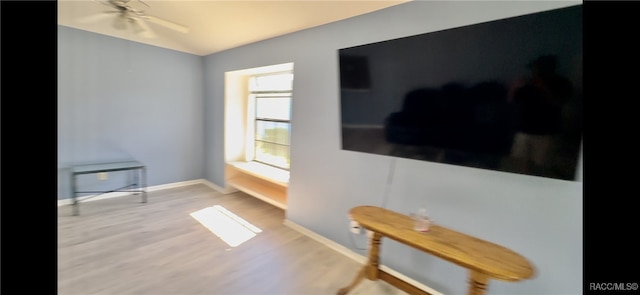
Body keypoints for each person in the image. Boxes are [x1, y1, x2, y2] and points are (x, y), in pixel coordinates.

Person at [509, 55, 573, 174]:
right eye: (534, 68)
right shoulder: (529, 83)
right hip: (524, 130)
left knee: (542, 167)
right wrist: (515, 86)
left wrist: (542, 87)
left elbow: (559, 104)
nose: (535, 71)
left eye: (538, 68)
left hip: (546, 133)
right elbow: (511, 100)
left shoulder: (562, 83)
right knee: (520, 164)